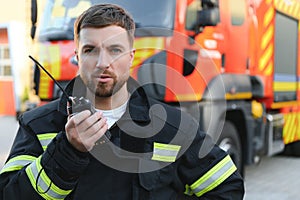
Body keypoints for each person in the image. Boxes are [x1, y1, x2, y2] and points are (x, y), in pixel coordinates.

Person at [0, 3, 244, 199]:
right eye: (90, 50)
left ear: (130, 57)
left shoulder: (173, 126)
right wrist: (67, 151)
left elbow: (227, 188)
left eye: (114, 50)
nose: (102, 62)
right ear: (77, 57)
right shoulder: (38, 126)